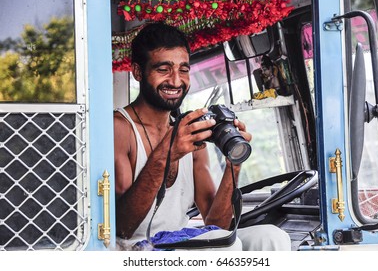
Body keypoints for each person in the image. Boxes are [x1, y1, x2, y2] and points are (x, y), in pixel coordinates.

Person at [114, 22, 291, 251]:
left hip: (180, 243)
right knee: (227, 248)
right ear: (138, 72)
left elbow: (216, 225)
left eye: (184, 70)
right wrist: (166, 154)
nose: (176, 81)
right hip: (134, 250)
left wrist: (233, 164)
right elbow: (123, 227)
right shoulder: (120, 128)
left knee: (270, 237)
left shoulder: (189, 133)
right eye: (163, 69)